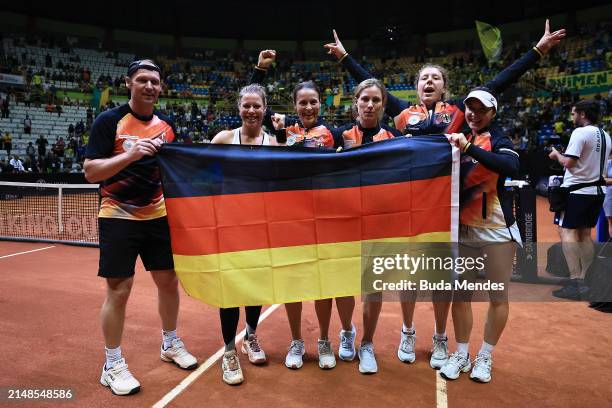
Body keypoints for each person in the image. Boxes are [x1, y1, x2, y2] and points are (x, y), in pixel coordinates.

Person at [324, 20, 565, 369]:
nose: (429, 82)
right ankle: (408, 331)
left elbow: (499, 84)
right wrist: (345, 57)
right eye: (423, 78)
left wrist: (538, 51)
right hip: (412, 207)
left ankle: (440, 337)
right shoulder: (404, 116)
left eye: (435, 78)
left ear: (444, 87)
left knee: (441, 277)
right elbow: (371, 90)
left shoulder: (457, 116)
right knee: (408, 274)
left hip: (450, 210)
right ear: (416, 85)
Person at [84, 59, 197, 396]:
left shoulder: (167, 126)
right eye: (143, 80)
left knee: (168, 281)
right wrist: (130, 156)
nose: (150, 86)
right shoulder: (109, 122)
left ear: (161, 88)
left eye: (155, 82)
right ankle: (112, 363)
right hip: (118, 214)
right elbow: (91, 171)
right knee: (120, 290)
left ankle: (170, 343)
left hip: (157, 215)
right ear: (129, 84)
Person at [250, 50, 355, 371]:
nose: (308, 107)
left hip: (329, 221)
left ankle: (325, 339)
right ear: (294, 106)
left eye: (313, 102)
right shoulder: (284, 133)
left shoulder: (336, 135)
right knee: (294, 283)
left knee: (329, 282)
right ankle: (297, 341)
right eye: (302, 102)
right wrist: (260, 71)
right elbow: (251, 103)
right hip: (293, 223)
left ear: (320, 104)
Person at [436, 87, 520, 383]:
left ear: (493, 113)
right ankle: (461, 353)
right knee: (460, 295)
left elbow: (511, 165)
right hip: (463, 231)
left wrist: (469, 149)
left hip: (496, 230)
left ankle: (485, 355)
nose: (474, 113)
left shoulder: (499, 138)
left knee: (498, 296)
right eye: (470, 107)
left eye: (481, 109)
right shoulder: (455, 134)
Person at [333, 78, 402, 374]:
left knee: (373, 287)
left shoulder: (395, 137)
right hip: (345, 221)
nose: (370, 104)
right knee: (344, 283)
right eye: (365, 99)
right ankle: (347, 331)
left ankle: (368, 343)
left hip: (379, 222)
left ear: (383, 106)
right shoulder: (340, 136)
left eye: (376, 100)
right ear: (356, 103)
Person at [210, 84, 276, 385]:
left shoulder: (274, 144)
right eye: (246, 105)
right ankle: (228, 351)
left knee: (254, 286)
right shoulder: (224, 139)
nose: (251, 111)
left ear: (265, 108)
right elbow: (202, 175)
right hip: (228, 227)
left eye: (256, 106)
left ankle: (250, 336)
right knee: (230, 290)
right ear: (239, 108)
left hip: (260, 228)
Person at [548, 100, 611, 300]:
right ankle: (586, 281)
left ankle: (576, 282)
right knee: (584, 235)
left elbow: (569, 163)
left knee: (567, 232)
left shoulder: (580, 133)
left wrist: (557, 155)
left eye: (574, 113)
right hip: (596, 192)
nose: (572, 117)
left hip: (578, 192)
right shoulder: (606, 135)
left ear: (582, 114)